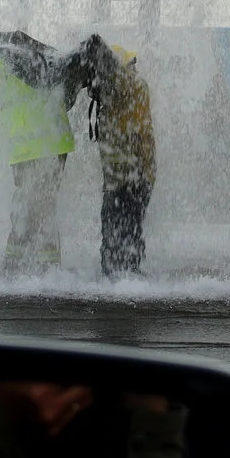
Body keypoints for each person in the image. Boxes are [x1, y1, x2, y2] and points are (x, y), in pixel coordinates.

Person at [0, 31, 74, 270]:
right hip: (44, 146)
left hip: (38, 147)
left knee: (37, 204)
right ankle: (30, 261)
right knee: (36, 202)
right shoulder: (42, 63)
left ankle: (33, 265)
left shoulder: (11, 62)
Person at [65, 33, 157, 278]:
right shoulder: (112, 96)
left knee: (128, 227)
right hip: (117, 178)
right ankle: (113, 272)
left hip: (134, 176)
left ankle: (129, 274)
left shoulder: (132, 85)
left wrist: (98, 54)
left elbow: (120, 82)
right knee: (112, 225)